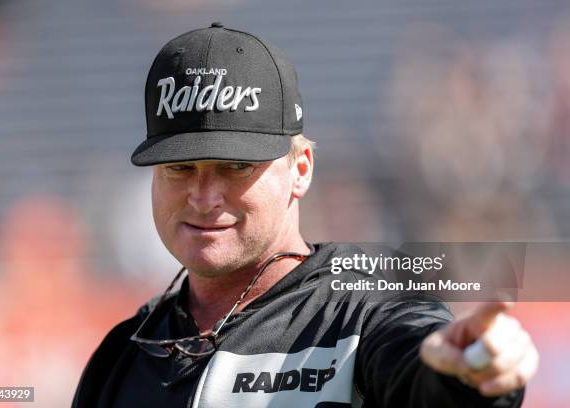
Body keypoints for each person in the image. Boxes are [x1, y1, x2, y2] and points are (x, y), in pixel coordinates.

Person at [72, 23, 538, 407]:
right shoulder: (122, 354)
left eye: (236, 166)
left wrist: (468, 374)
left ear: (301, 170)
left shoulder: (364, 306)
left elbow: (422, 364)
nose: (204, 194)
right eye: (180, 167)